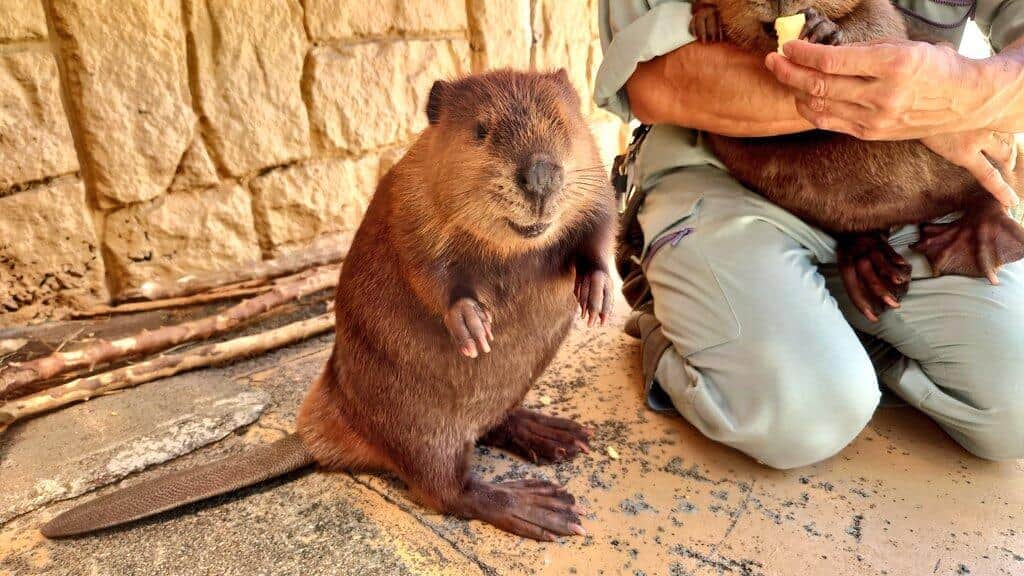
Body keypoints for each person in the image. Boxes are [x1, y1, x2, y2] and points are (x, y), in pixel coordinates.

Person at [595, 0, 1024, 468]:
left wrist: (964, 91)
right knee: (803, 417)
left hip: (894, 183)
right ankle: (687, 320)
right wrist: (885, 97)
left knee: (1015, 408)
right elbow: (655, 83)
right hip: (721, 166)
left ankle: (833, 326)